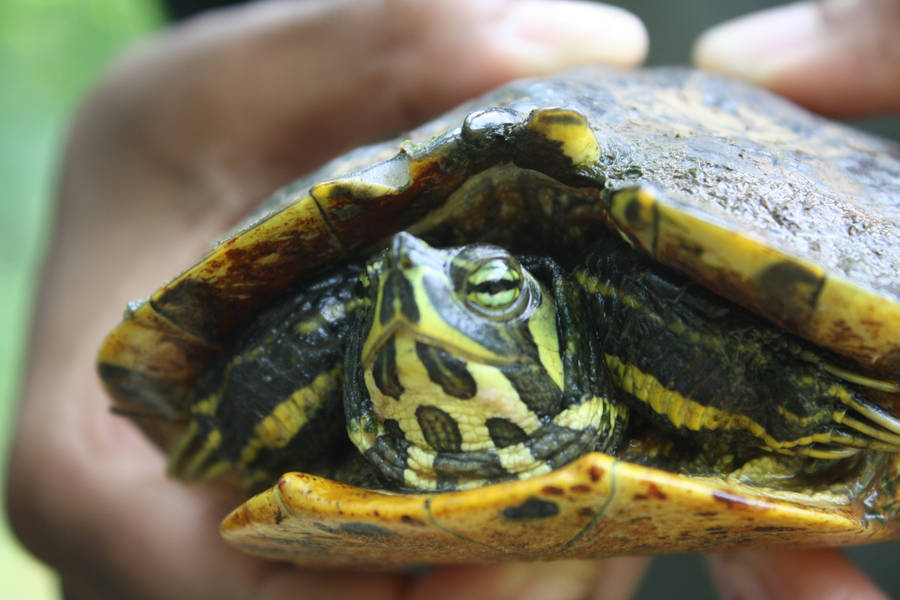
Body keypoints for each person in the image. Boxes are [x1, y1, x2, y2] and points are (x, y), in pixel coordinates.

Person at [6, 1, 898, 598]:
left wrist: (793, 397)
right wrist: (151, 133)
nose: (410, 288)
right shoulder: (384, 282)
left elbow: (644, 294)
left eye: (488, 289)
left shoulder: (610, 295)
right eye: (389, 295)